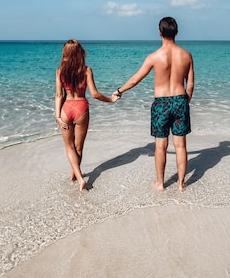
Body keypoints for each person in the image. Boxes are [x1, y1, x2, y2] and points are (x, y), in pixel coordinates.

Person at [114, 17, 194, 191]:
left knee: (160, 145)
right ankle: (181, 184)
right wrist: (184, 101)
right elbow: (191, 85)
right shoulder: (187, 55)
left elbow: (135, 79)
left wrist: (119, 90)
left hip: (161, 103)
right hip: (180, 99)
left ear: (159, 33)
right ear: (177, 32)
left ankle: (161, 183)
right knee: (180, 145)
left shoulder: (154, 57)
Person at [55, 39, 119, 192]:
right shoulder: (87, 70)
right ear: (80, 52)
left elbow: (58, 95)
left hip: (66, 108)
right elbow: (95, 94)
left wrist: (57, 116)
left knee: (69, 147)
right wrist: (111, 99)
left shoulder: (60, 71)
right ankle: (79, 178)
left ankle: (75, 176)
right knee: (78, 147)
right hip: (81, 108)